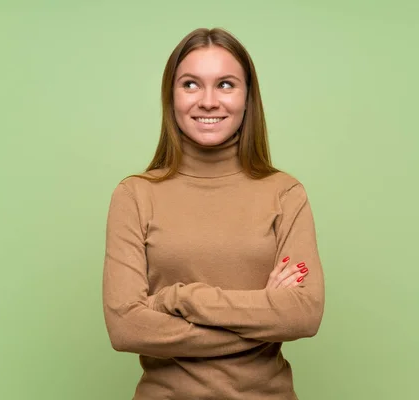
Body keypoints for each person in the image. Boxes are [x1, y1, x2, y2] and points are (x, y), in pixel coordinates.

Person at [102, 27, 325, 400]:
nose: (208, 101)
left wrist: (179, 300)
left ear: (247, 97)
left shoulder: (285, 193)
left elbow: (303, 314)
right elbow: (126, 328)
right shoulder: (134, 195)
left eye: (225, 84)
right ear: (170, 95)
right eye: (190, 84)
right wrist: (261, 318)